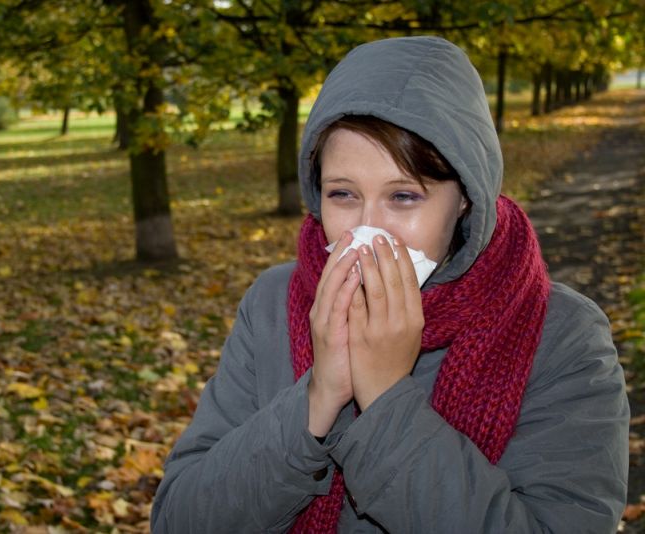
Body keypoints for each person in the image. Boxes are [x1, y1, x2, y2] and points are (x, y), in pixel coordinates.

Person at [150, 36, 629, 533]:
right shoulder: (272, 304)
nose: (367, 229)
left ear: (466, 197)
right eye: (343, 194)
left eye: (403, 196)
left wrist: (384, 399)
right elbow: (179, 520)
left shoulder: (562, 334)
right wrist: (316, 399)